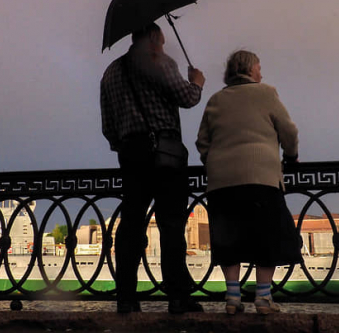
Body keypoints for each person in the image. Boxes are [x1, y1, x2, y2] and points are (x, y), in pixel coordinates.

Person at [100, 22, 206, 314]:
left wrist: (125, 145)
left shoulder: (110, 73)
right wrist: (196, 81)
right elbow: (187, 99)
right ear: (153, 38)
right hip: (166, 155)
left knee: (131, 224)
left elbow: (108, 126)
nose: (163, 46)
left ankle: (126, 297)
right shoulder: (160, 62)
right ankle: (178, 297)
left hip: (130, 155)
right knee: (171, 225)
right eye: (161, 41)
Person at [195, 50, 302, 315]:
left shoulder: (215, 99)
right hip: (260, 179)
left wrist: (215, 162)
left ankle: (233, 299)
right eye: (259, 67)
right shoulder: (266, 92)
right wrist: (291, 156)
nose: (261, 73)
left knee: (229, 238)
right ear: (250, 69)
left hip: (222, 182)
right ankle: (263, 299)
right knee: (268, 235)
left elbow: (202, 141)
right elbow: (289, 130)